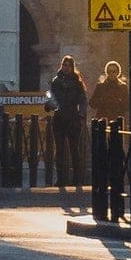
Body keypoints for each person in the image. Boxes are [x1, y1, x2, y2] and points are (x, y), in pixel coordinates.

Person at [46, 56, 88, 192]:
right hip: (59, 117)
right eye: (64, 65)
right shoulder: (55, 81)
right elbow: (51, 97)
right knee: (59, 150)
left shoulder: (77, 82)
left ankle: (76, 178)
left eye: (68, 65)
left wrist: (81, 113)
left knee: (74, 149)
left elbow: (82, 99)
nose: (66, 67)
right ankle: (60, 178)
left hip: (73, 117)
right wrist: (49, 105)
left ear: (72, 67)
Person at [89, 59, 129, 126]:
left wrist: (119, 102)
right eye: (109, 71)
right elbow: (92, 103)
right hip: (103, 120)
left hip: (117, 120)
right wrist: (102, 100)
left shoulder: (123, 87)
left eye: (114, 71)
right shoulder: (100, 86)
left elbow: (127, 105)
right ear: (106, 72)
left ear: (118, 72)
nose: (112, 74)